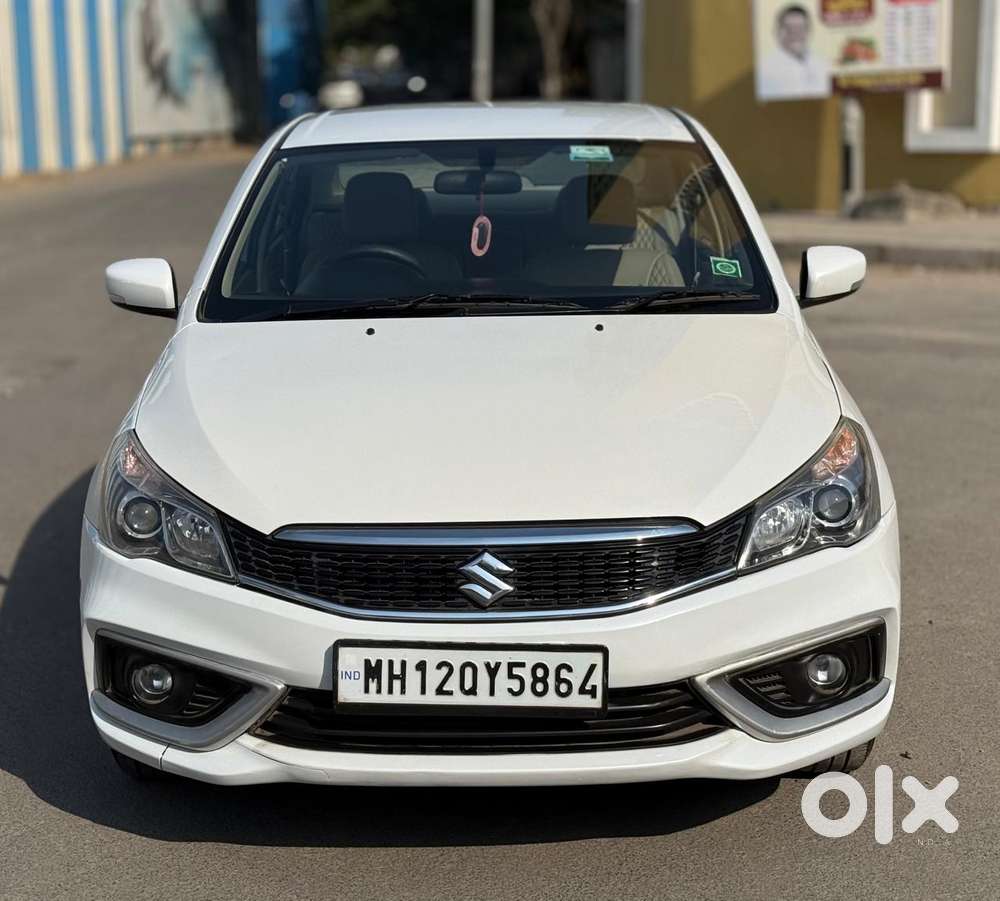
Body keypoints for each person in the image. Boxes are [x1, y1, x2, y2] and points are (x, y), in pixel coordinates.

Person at [757, 4, 830, 100]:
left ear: (809, 31)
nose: (795, 34)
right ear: (777, 31)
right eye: (789, 28)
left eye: (800, 28)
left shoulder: (822, 65)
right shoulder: (765, 71)